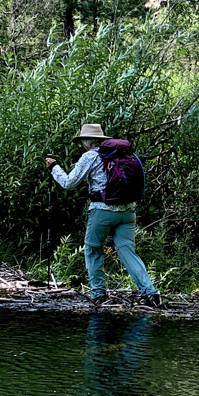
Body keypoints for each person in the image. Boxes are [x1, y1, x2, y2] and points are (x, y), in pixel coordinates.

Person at [47, 123, 161, 307]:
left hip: (102, 211)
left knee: (93, 249)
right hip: (127, 212)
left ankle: (99, 295)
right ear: (101, 140)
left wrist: (54, 167)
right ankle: (150, 293)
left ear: (86, 142)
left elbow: (69, 183)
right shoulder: (125, 155)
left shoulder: (90, 156)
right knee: (127, 251)